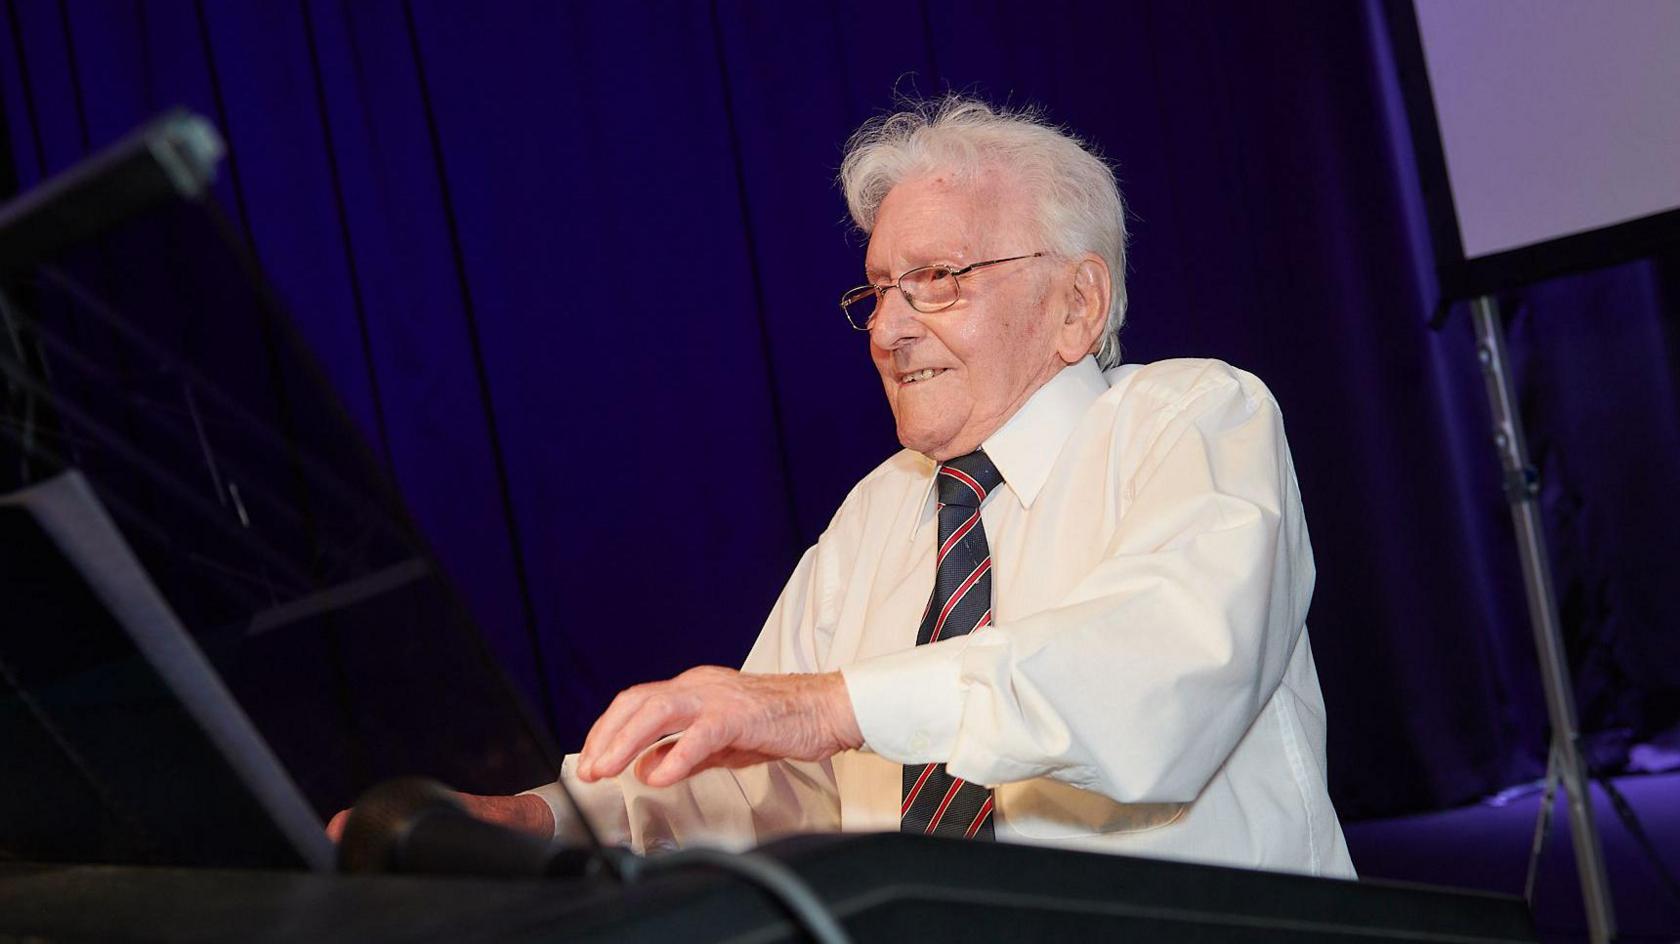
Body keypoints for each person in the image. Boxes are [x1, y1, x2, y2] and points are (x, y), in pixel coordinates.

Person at [332, 95, 1354, 878]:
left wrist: (830, 703)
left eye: (938, 280)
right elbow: (763, 781)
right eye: (877, 290)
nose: (887, 328)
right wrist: (547, 817)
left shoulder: (1196, 417)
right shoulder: (881, 510)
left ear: (1077, 303)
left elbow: (1154, 686)